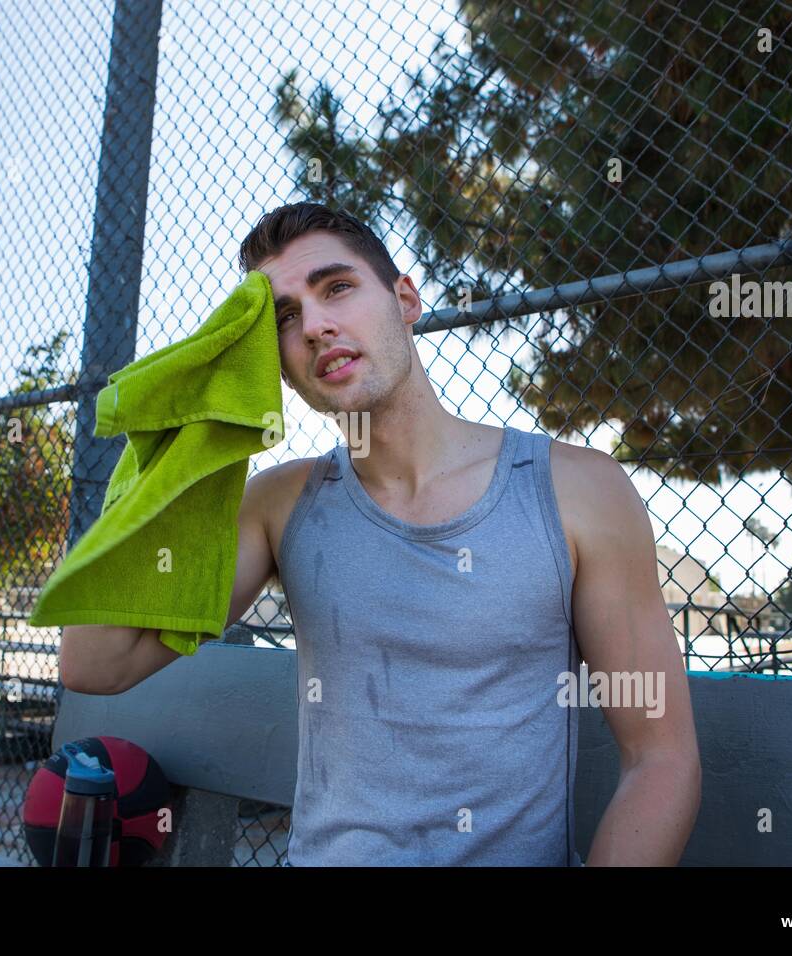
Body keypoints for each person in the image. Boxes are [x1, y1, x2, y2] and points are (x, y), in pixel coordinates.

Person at [60, 202, 701, 866]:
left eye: (335, 287)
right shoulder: (280, 505)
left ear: (404, 299)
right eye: (284, 318)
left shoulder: (578, 490)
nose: (314, 326)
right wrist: (179, 425)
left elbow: (661, 758)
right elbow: (95, 662)